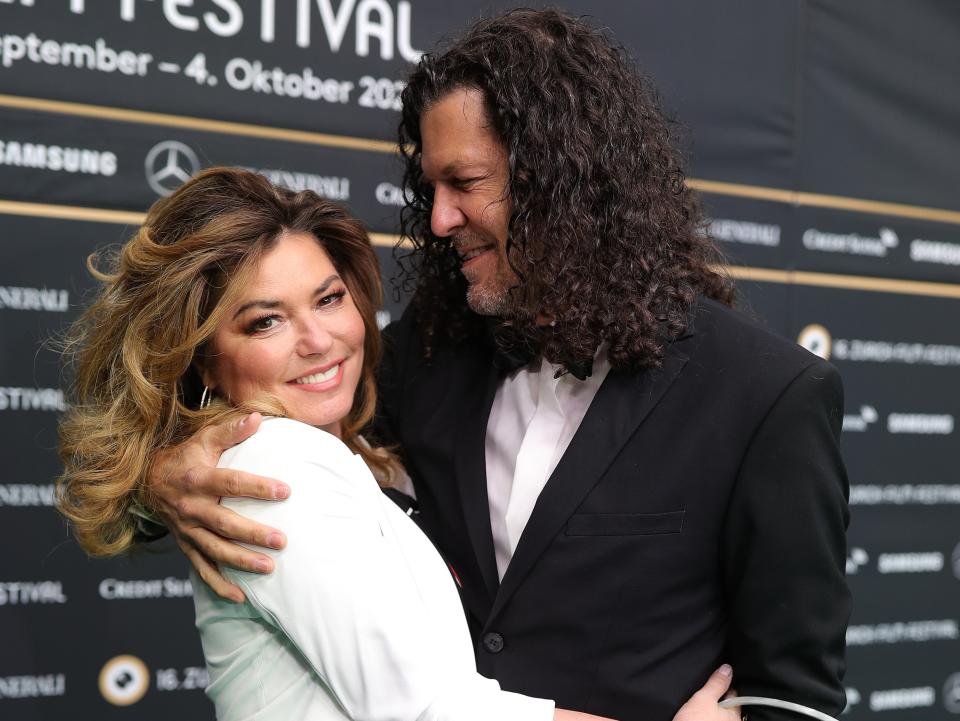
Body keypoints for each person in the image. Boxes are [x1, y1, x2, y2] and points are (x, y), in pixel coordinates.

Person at [147, 9, 851, 721]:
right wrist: (166, 475)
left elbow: (792, 697)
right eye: (433, 188)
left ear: (563, 178)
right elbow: (281, 459)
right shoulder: (431, 346)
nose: (441, 219)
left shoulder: (766, 395)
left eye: (466, 181)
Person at [57, 167, 739, 721]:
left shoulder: (335, 444)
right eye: (265, 321)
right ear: (204, 358)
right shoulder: (271, 466)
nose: (319, 340)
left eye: (327, 299)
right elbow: (432, 712)